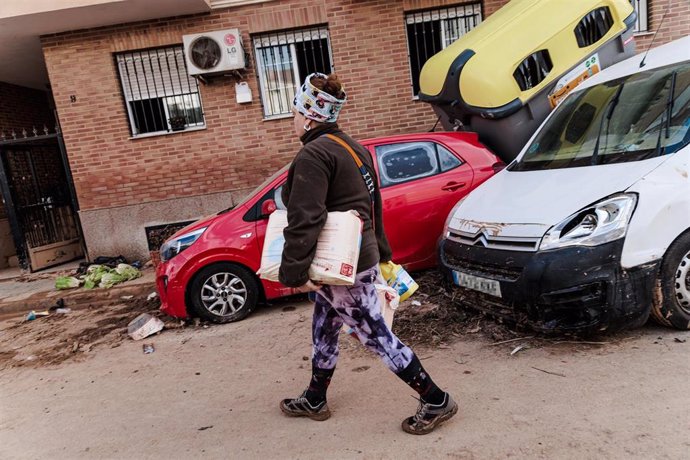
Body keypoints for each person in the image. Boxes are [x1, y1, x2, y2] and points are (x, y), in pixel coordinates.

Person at [278, 72, 457, 435]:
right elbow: (373, 205)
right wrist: (385, 253)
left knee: (375, 334)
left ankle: (436, 399)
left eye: (295, 113)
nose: (292, 120)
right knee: (324, 329)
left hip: (344, 265)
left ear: (310, 116)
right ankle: (315, 398)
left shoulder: (314, 153)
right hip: (356, 258)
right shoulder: (352, 147)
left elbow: (305, 218)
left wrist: (292, 273)